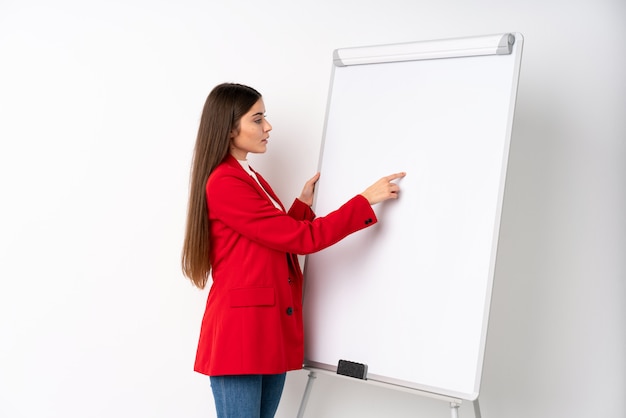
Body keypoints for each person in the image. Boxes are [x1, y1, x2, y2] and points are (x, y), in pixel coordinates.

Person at [181, 82, 405, 418]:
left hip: (264, 331)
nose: (268, 127)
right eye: (257, 119)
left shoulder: (248, 175)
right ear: (229, 128)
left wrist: (300, 207)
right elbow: (304, 240)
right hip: (240, 336)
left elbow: (268, 239)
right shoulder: (226, 181)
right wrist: (364, 200)